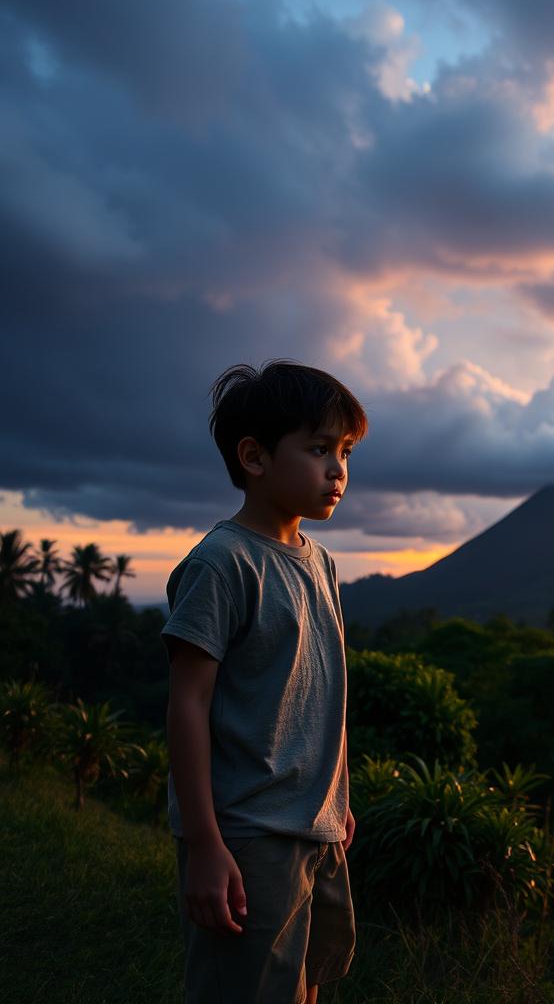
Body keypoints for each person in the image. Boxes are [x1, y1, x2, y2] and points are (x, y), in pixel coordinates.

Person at [162, 359, 369, 1003]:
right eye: (317, 449)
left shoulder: (321, 563)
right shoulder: (222, 564)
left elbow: (320, 692)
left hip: (316, 825)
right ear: (253, 457)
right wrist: (204, 843)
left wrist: (339, 798)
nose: (337, 470)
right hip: (247, 832)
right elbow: (188, 705)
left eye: (345, 451)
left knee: (303, 986)